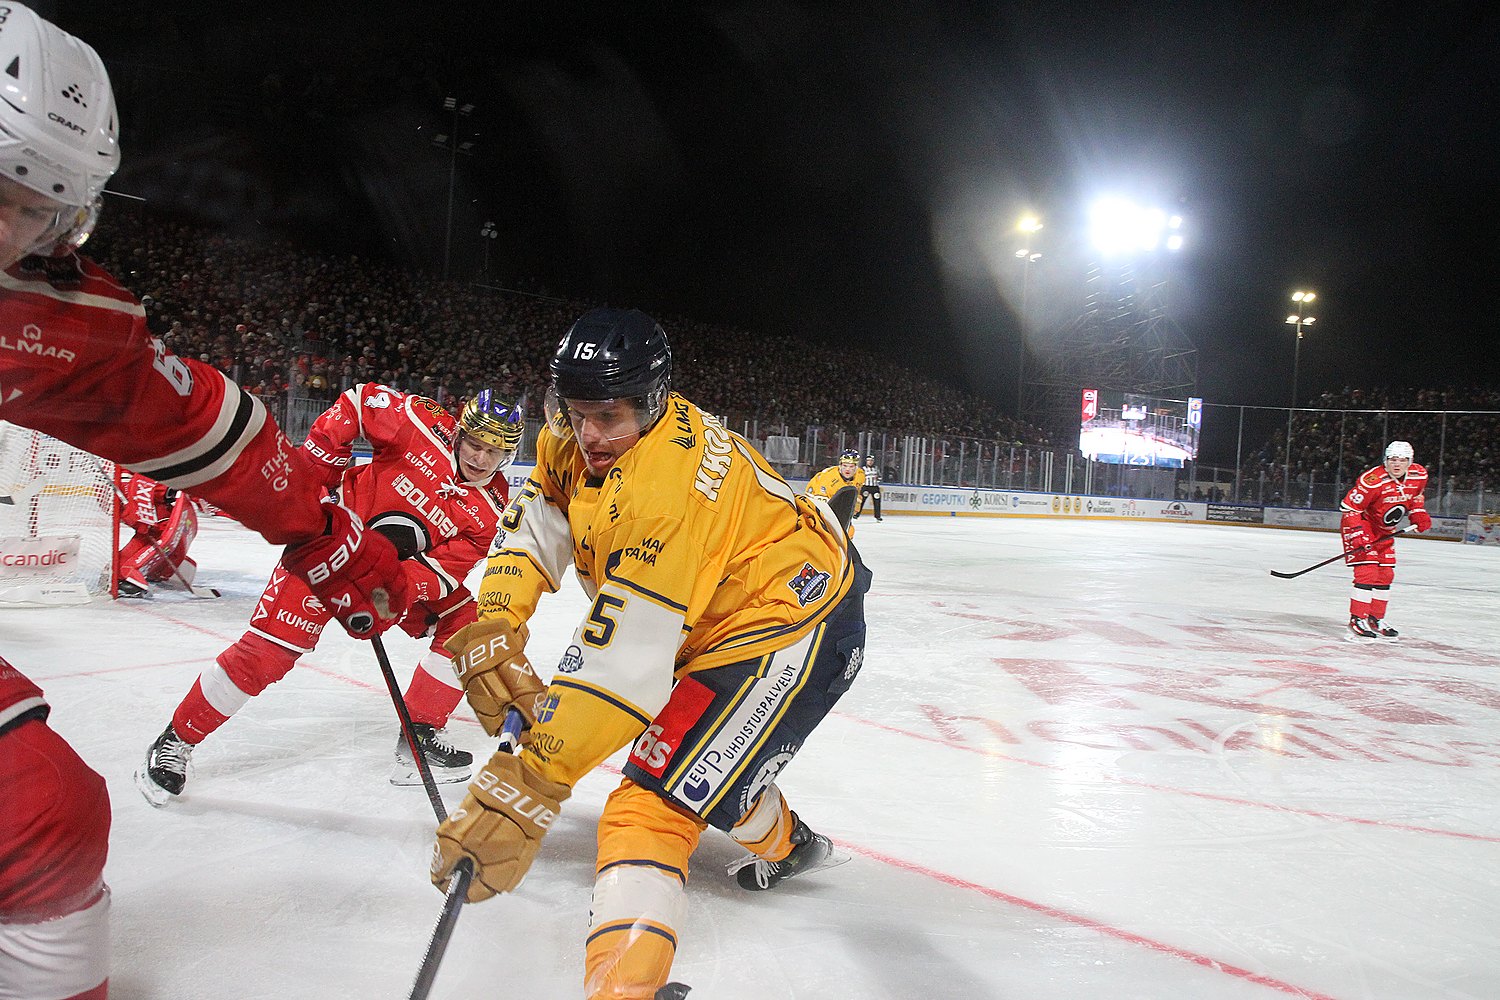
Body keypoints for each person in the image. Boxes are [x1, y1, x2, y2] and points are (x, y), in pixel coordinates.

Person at [0, 8, 405, 998]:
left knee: (44, 812)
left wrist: (328, 530)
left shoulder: (45, 315)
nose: (11, 233)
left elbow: (182, 421)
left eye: (40, 209)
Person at [428, 308, 871, 999]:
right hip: (720, 614)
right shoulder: (572, 442)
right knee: (704, 768)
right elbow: (541, 522)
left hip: (791, 619)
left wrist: (531, 786)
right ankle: (791, 846)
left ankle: (623, 990)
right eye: (576, 414)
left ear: (652, 401)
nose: (590, 435)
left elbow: (620, 666)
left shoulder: (667, 490)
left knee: (651, 801)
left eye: (608, 416)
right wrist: (496, 619)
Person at [135, 385, 522, 803]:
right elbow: (359, 401)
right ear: (459, 433)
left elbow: (444, 572)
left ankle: (419, 737)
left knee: (468, 620)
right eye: (475, 444)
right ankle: (176, 740)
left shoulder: (493, 508)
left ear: (508, 457)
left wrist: (383, 591)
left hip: (385, 581)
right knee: (268, 655)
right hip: (326, 543)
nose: (480, 459)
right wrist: (319, 467)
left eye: (493, 453)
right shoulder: (419, 422)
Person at [1340, 440, 1431, 640]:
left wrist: (1418, 513)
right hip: (1360, 524)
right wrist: (1357, 534)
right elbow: (1350, 508)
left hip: (1384, 529)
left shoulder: (1419, 475)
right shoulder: (1372, 480)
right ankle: (1357, 619)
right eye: (1392, 459)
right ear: (1385, 460)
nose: (1396, 464)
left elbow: (1416, 497)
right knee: (1367, 571)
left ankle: (1375, 618)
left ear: (1410, 462)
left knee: (1385, 574)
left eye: (1402, 460)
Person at [115, 470, 201, 597]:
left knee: (151, 533)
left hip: (135, 492)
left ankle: (117, 568)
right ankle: (126, 571)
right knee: (159, 531)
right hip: (129, 493)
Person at [805, 447, 865, 529]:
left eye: (851, 466)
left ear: (856, 467)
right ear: (840, 465)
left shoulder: (860, 475)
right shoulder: (828, 478)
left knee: (849, 532)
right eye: (845, 466)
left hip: (836, 501)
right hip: (815, 499)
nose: (848, 469)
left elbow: (857, 494)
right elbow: (821, 507)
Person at [854, 454, 882, 521]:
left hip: (875, 487)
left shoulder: (876, 468)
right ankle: (856, 514)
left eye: (871, 461)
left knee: (877, 501)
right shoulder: (863, 469)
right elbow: (859, 477)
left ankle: (878, 516)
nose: (870, 462)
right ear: (866, 461)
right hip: (865, 486)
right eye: (868, 460)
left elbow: (880, 477)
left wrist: (878, 478)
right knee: (861, 501)